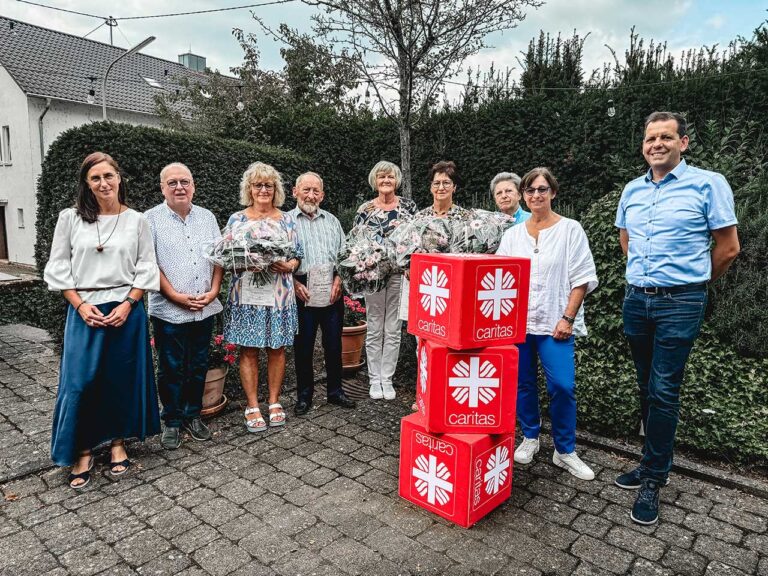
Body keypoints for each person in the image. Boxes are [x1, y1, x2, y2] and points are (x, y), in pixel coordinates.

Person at [615, 111, 740, 525]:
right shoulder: (632, 189)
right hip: (637, 300)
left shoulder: (708, 183)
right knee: (645, 385)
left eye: (666, 137)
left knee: (664, 390)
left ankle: (653, 477)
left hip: (681, 302)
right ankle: (653, 461)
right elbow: (625, 240)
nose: (657, 145)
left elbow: (728, 248)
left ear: (683, 142)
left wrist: (693, 284)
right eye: (651, 138)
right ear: (643, 146)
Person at [43, 152, 160, 489]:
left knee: (119, 378)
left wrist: (128, 304)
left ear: (119, 178)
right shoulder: (70, 219)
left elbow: (146, 266)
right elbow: (58, 268)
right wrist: (80, 306)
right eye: (95, 178)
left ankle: (117, 443)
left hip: (126, 308)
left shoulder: (137, 221)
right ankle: (81, 449)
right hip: (86, 309)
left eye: (108, 176)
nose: (103, 183)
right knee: (80, 381)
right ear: (87, 183)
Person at [496, 167, 598, 481]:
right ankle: (530, 437)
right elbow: (499, 277)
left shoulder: (571, 230)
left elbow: (582, 279)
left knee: (562, 387)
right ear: (523, 195)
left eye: (542, 189)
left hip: (556, 324)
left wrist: (567, 318)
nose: (536, 195)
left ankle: (564, 450)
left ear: (553, 192)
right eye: (530, 190)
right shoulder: (512, 235)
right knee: (522, 384)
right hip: (519, 325)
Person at [145, 163, 224, 450]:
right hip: (169, 310)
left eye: (185, 182)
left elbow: (220, 258)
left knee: (199, 363)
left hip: (204, 306)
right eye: (173, 182)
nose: (180, 187)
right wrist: (175, 296)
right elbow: (148, 264)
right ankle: (172, 421)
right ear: (162, 187)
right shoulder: (149, 219)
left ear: (194, 186)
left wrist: (214, 291)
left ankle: (193, 415)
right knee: (170, 367)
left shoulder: (207, 217)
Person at [224, 162, 302, 432]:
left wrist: (289, 266)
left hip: (279, 294)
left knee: (277, 348)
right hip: (248, 294)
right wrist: (247, 263)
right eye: (258, 185)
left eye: (269, 185)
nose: (263, 190)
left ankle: (274, 401)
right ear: (249, 189)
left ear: (276, 189)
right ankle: (252, 404)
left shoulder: (287, 219)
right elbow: (227, 258)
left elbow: (297, 256)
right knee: (248, 349)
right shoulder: (237, 220)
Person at [289, 172, 356, 415]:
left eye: (316, 191)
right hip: (301, 287)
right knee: (303, 346)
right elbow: (279, 259)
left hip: (330, 287)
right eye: (306, 190)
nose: (311, 195)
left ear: (323, 195)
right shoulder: (285, 221)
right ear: (295, 191)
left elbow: (345, 254)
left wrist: (339, 279)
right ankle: (304, 396)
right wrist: (294, 284)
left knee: (333, 343)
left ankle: (335, 391)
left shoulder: (333, 221)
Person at [354, 161, 418, 400]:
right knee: (374, 326)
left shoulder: (408, 207)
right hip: (372, 276)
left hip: (399, 275)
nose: (386, 181)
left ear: (397, 180)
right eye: (381, 177)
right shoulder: (365, 209)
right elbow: (356, 243)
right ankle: (374, 379)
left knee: (393, 328)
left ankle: (387, 379)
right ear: (375, 181)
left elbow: (416, 238)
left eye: (390, 177)